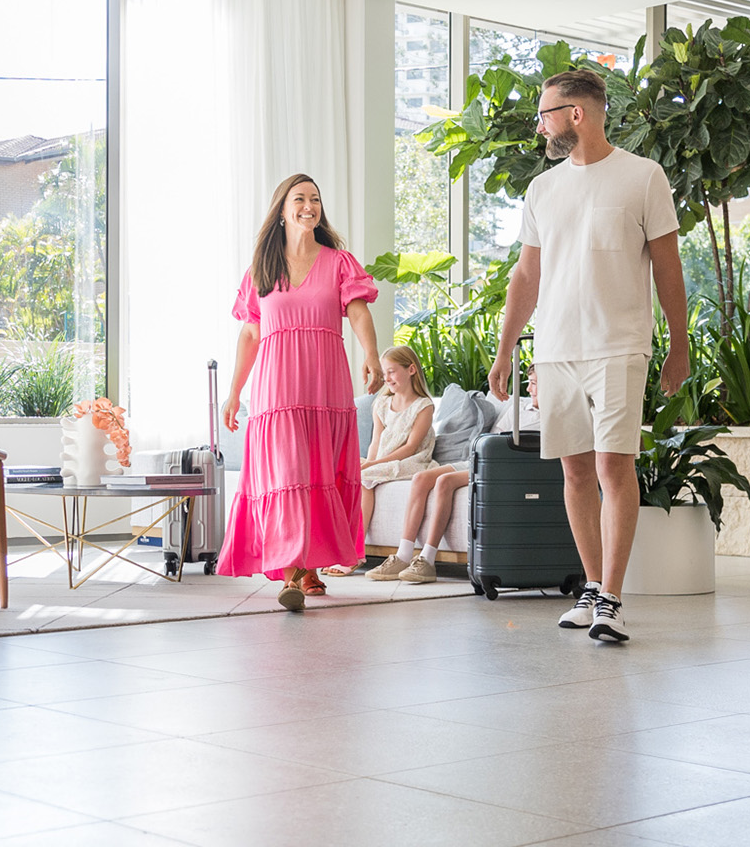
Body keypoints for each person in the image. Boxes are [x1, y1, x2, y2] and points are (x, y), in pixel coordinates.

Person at [488, 69, 688, 643]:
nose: (541, 124)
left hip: (618, 345)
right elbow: (527, 273)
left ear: (577, 113)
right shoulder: (543, 189)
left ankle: (613, 600)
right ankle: (593, 590)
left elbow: (668, 268)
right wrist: (506, 350)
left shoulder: (643, 177)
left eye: (546, 113)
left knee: (612, 466)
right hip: (555, 350)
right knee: (575, 470)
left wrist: (678, 343)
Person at [218, 174, 382, 612]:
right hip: (277, 388)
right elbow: (250, 335)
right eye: (299, 199)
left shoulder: (339, 262)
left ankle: (309, 564)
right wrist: (235, 392)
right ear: (282, 209)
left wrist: (372, 354)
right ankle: (292, 571)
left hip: (326, 385)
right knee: (286, 474)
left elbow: (358, 312)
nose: (309, 206)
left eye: (315, 199)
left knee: (318, 473)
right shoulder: (261, 270)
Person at [366, 369, 540, 585]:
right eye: (529, 382)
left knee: (444, 481)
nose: (529, 388)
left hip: (506, 468)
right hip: (482, 460)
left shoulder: (555, 416)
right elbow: (491, 439)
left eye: (534, 384)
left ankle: (427, 560)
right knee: (422, 478)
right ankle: (403, 555)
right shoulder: (519, 409)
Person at [320, 347, 436, 578]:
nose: (387, 378)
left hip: (412, 461)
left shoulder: (424, 406)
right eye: (385, 373)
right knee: (346, 475)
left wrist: (372, 467)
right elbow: (376, 441)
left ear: (411, 369)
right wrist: (369, 462)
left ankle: (355, 551)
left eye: (392, 372)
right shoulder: (382, 404)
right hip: (383, 458)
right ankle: (334, 546)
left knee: (365, 478)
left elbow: (410, 448)